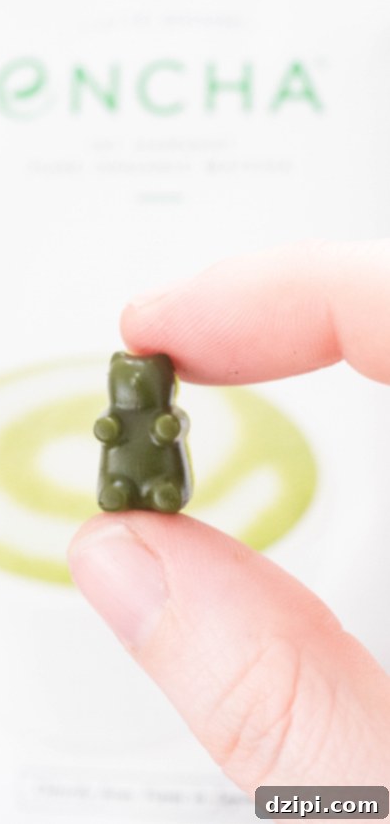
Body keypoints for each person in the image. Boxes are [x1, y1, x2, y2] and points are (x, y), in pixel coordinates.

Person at [68, 241, 390, 794]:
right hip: (122, 475)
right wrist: (112, 429)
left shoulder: (169, 418)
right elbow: (110, 433)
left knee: (162, 486)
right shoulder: (118, 414)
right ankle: (126, 489)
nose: (136, 388)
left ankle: (153, 491)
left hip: (161, 476)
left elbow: (172, 432)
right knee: (115, 486)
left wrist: (163, 430)